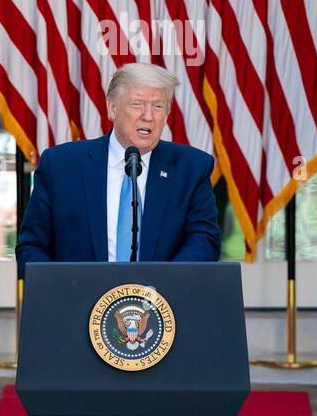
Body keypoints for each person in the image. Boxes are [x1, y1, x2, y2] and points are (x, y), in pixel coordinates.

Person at [15, 64, 221, 275]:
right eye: (137, 104)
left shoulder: (191, 168)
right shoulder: (60, 165)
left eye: (158, 106)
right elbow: (32, 247)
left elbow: (204, 241)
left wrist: (162, 286)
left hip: (161, 301)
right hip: (80, 300)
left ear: (167, 114)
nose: (148, 116)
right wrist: (65, 290)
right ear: (112, 108)